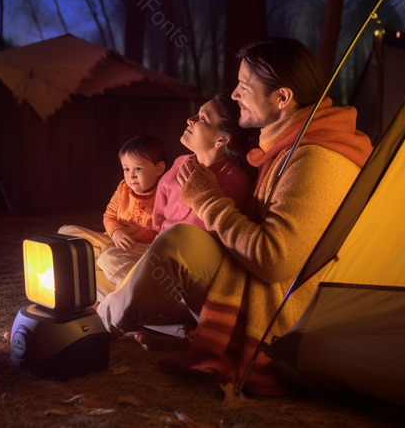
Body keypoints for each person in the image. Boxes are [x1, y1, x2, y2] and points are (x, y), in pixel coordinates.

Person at [97, 38, 373, 395]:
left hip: (275, 311)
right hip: (238, 280)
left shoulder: (317, 161)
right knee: (100, 258)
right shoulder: (287, 148)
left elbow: (274, 260)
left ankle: (94, 323)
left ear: (282, 98)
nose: (235, 94)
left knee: (181, 243)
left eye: (244, 86)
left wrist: (206, 197)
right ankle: (133, 312)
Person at [59, 136, 166, 285]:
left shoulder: (165, 192)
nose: (131, 175)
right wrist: (116, 232)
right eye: (126, 169)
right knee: (67, 233)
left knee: (108, 259)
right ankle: (101, 270)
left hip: (142, 249)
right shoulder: (123, 188)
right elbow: (109, 216)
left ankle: (142, 288)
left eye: (138, 168)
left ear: (158, 169)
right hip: (114, 240)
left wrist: (135, 233)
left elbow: (167, 231)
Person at [153, 93, 255, 239]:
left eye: (202, 118)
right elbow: (159, 214)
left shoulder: (237, 181)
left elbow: (228, 234)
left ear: (221, 139)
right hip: (160, 243)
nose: (190, 120)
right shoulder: (179, 163)